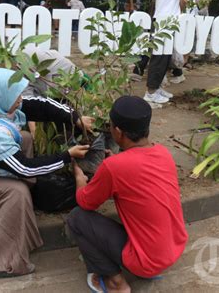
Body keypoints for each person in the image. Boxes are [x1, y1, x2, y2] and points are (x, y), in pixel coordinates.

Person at [0, 68, 91, 280]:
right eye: (16, 95)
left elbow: (41, 106)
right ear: (1, 97)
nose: (21, 99)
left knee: (24, 138)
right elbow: (25, 168)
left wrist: (75, 118)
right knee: (17, 191)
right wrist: (66, 156)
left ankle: (15, 212)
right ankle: (2, 262)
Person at [67, 96, 188, 293]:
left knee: (77, 218)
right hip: (173, 248)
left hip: (147, 260)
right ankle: (146, 269)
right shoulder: (163, 153)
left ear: (118, 131)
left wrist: (80, 180)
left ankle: (116, 284)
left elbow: (86, 202)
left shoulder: (114, 167)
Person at [143, 0, 189, 105]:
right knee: (160, 57)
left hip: (164, 19)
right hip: (167, 20)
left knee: (165, 56)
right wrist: (184, 13)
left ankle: (156, 88)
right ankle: (151, 92)